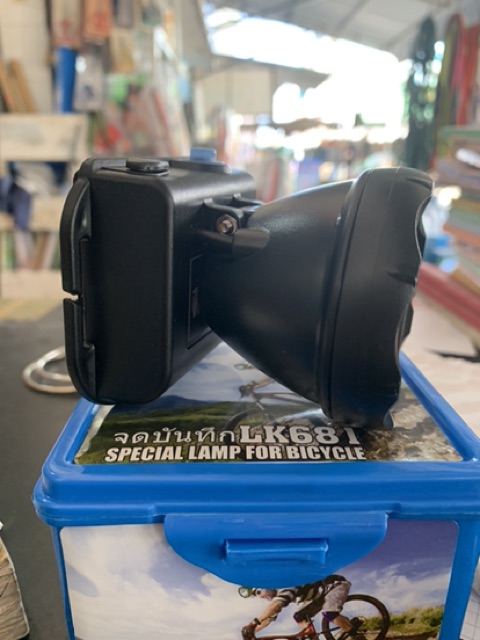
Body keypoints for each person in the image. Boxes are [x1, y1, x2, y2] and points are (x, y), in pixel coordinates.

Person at [240, 575, 359, 638]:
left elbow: (276, 606)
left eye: (258, 592)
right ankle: (312, 636)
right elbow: (267, 620)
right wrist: (250, 631)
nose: (261, 597)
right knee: (299, 616)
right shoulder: (278, 593)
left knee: (329, 614)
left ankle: (355, 634)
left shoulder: (284, 585)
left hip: (335, 585)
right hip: (318, 596)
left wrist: (253, 623)